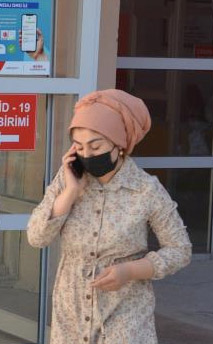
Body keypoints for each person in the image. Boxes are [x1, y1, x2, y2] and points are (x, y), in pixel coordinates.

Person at [27, 89, 191, 344]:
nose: (87, 155)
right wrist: (70, 192)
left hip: (125, 315)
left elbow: (180, 249)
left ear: (120, 145)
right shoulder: (67, 178)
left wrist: (131, 270)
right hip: (71, 313)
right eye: (79, 147)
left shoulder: (146, 189)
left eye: (96, 146)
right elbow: (37, 237)